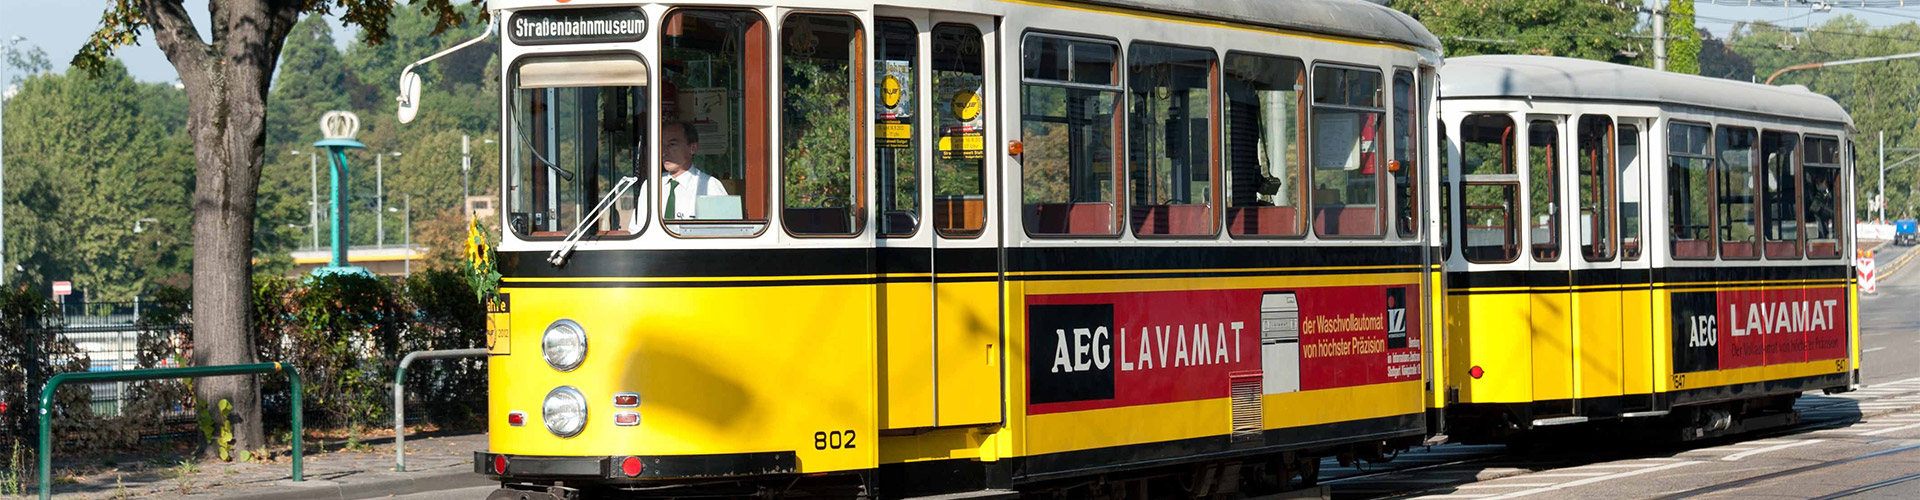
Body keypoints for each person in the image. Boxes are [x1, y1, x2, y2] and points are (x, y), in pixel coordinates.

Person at [660, 121, 729, 219]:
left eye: (672, 144)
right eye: (662, 145)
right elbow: (638, 227)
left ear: (693, 148)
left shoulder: (709, 186)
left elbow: (724, 231)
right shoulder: (651, 186)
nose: (664, 152)